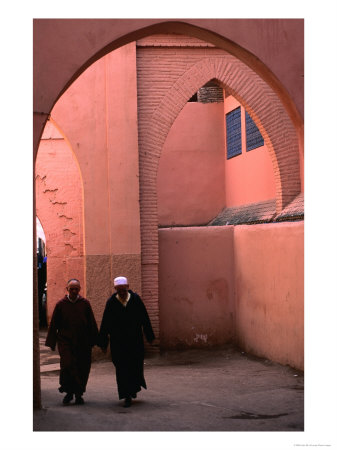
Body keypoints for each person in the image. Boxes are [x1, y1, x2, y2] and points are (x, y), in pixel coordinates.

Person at [98, 276, 155, 407]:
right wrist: (103, 342)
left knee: (135, 366)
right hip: (118, 342)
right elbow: (105, 322)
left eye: (124, 290)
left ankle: (132, 390)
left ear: (128, 287)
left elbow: (144, 318)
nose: (122, 293)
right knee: (121, 368)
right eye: (119, 291)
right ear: (115, 289)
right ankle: (126, 394)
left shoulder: (135, 300)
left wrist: (149, 336)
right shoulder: (111, 302)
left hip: (135, 341)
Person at [45, 279, 98, 405]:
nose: (74, 291)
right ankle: (69, 392)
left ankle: (79, 394)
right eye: (71, 289)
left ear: (80, 289)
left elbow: (91, 322)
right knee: (67, 365)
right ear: (67, 289)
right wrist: (52, 342)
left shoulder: (85, 303)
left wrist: (96, 340)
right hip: (65, 342)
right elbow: (54, 325)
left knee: (82, 367)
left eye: (76, 289)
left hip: (83, 342)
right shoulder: (61, 304)